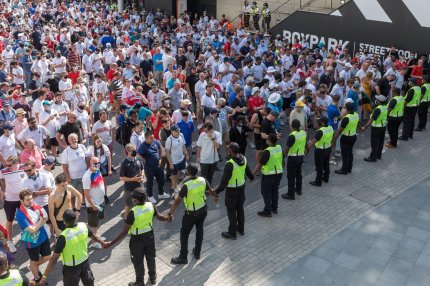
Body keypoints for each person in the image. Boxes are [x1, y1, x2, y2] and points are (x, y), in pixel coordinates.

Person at [104, 188, 170, 285]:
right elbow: (160, 217)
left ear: (136, 200)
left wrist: (111, 243)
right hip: (150, 236)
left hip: (137, 240)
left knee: (138, 260)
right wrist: (168, 218)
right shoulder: (151, 205)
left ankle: (139, 282)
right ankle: (153, 277)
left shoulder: (133, 212)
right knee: (151, 257)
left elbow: (124, 232)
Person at [39, 209, 106, 286]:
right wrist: (103, 243)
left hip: (71, 268)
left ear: (64, 222)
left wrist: (44, 276)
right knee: (89, 283)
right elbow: (94, 237)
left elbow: (54, 259)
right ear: (75, 218)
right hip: (85, 262)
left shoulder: (63, 236)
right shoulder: (83, 226)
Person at [168, 163, 219, 264]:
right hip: (203, 210)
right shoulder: (203, 180)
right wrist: (215, 197)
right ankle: (197, 252)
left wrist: (170, 213)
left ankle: (183, 257)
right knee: (199, 230)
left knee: (184, 234)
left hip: (191, 214)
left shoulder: (187, 185)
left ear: (188, 172)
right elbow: (211, 190)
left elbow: (177, 201)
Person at [215, 143, 254, 240]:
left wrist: (216, 192)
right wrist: (251, 177)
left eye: (228, 150)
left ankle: (232, 233)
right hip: (241, 188)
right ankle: (241, 229)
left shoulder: (230, 164)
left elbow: (224, 181)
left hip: (232, 191)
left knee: (231, 211)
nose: (227, 152)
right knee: (240, 209)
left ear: (231, 151)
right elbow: (249, 172)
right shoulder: (243, 159)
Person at [15, 189, 51, 283]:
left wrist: (41, 221)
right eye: (27, 200)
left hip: (43, 236)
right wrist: (41, 221)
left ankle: (32, 267)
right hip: (32, 242)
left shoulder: (35, 206)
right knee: (34, 260)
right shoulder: (20, 215)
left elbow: (46, 218)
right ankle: (37, 278)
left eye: (31, 199)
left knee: (47, 256)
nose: (30, 201)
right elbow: (32, 230)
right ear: (21, 201)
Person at [252, 133, 284, 217]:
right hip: (278, 174)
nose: (266, 140)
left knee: (266, 192)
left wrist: (252, 174)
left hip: (269, 176)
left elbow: (260, 164)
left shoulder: (267, 151)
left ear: (269, 141)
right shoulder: (279, 147)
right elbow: (282, 159)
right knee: (275, 191)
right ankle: (275, 208)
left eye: (267, 139)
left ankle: (267, 210)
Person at [0, 155, 26, 253]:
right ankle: (10, 241)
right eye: (7, 165)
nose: (7, 167)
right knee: (10, 221)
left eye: (10, 165)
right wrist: (1, 192)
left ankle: (25, 234)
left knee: (24, 218)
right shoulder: (4, 171)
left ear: (16, 163)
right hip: (10, 200)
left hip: (22, 200)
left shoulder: (24, 168)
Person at [137, 132, 170, 203]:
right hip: (149, 167)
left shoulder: (155, 142)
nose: (153, 139)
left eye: (153, 137)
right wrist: (144, 160)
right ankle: (150, 196)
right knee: (150, 182)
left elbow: (160, 147)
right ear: (146, 138)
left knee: (162, 179)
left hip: (157, 166)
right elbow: (139, 153)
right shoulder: (143, 146)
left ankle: (161, 193)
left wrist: (160, 157)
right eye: (151, 138)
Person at [83, 157, 106, 249]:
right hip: (94, 205)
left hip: (100, 202)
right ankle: (94, 242)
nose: (97, 165)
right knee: (93, 225)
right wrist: (93, 205)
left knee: (97, 222)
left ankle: (97, 236)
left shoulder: (98, 171)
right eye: (95, 163)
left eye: (98, 163)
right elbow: (86, 193)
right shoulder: (87, 176)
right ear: (90, 164)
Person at [281, 119, 306, 200]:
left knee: (291, 176)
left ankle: (290, 194)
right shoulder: (303, 133)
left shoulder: (292, 135)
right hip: (301, 157)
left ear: (292, 126)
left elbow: (287, 148)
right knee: (299, 174)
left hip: (293, 158)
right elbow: (304, 144)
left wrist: (283, 158)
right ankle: (299, 190)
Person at [332, 102, 359, 175]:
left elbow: (339, 131)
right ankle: (349, 168)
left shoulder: (346, 118)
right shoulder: (356, 115)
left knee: (345, 154)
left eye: (344, 107)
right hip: (353, 136)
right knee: (350, 152)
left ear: (346, 109)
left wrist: (334, 140)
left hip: (346, 137)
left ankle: (344, 170)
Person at [120, 143, 145, 218]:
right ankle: (126, 218)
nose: (135, 151)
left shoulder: (138, 158)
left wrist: (142, 176)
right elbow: (121, 178)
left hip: (140, 186)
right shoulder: (124, 163)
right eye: (132, 150)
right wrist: (133, 179)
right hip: (130, 188)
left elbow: (142, 168)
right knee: (129, 204)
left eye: (135, 149)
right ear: (128, 151)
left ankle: (139, 216)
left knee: (140, 202)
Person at [61, 133, 89, 199]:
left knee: (84, 190)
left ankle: (83, 202)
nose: (73, 140)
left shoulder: (82, 147)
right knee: (72, 193)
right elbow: (64, 165)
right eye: (71, 139)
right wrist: (67, 176)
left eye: (75, 139)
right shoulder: (66, 151)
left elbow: (87, 158)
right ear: (69, 141)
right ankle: (73, 207)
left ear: (77, 139)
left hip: (84, 174)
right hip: (73, 177)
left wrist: (88, 169)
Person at [307, 116, 333, 186]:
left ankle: (318, 181)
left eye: (320, 122)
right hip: (328, 148)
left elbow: (313, 142)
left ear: (323, 123)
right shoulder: (330, 128)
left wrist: (306, 150)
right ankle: (326, 178)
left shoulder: (321, 131)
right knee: (326, 164)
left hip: (320, 151)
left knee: (319, 166)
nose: (319, 123)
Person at [361, 95, 388, 162]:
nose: (376, 100)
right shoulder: (385, 107)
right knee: (381, 142)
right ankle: (379, 155)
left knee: (375, 143)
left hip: (377, 128)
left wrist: (365, 126)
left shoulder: (378, 109)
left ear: (379, 101)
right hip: (383, 126)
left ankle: (373, 157)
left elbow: (372, 119)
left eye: (377, 99)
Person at [166, 125, 189, 194]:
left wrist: (186, 154)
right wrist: (170, 163)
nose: (178, 132)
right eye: (176, 131)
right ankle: (174, 187)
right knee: (173, 175)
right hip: (174, 161)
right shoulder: (169, 140)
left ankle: (175, 184)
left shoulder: (181, 135)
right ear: (172, 131)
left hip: (181, 159)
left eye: (179, 130)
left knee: (179, 172)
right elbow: (167, 152)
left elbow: (183, 145)